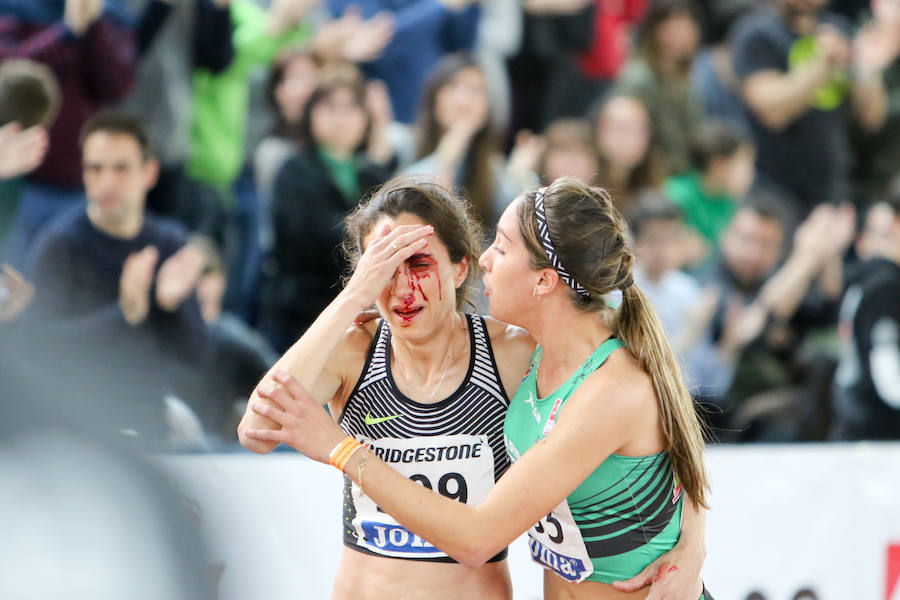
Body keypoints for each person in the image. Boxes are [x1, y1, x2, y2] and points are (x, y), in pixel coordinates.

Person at [240, 177, 711, 599]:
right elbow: (257, 429)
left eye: (418, 263)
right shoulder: (353, 350)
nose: (402, 288)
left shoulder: (519, 353)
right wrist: (350, 299)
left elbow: (654, 422)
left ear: (459, 268)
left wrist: (694, 543)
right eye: (382, 268)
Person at [21, 110, 211, 449]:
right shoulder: (60, 243)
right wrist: (124, 314)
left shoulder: (168, 242)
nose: (106, 182)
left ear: (149, 173)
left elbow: (196, 355)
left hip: (151, 414)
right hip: (75, 421)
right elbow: (37, 348)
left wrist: (168, 306)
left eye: (121, 168)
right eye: (95, 168)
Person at [258, 67, 395, 352]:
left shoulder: (373, 176)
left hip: (360, 317)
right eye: (330, 107)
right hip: (299, 313)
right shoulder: (293, 169)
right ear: (311, 113)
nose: (341, 118)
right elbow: (303, 233)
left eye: (351, 108)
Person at [731, 0, 888, 217]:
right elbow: (773, 114)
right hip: (775, 187)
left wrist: (865, 68)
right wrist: (821, 63)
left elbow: (871, 118)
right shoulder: (758, 33)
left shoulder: (839, 30)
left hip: (832, 185)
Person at [832, 193, 900, 440]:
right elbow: (887, 376)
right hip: (876, 435)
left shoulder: (861, 281)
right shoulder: (885, 285)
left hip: (853, 418)